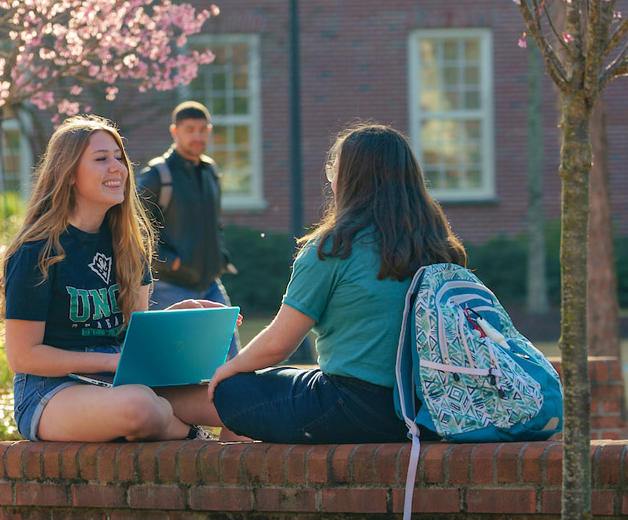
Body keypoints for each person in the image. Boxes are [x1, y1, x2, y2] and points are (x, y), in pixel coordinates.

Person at [185, 123, 466, 445]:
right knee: (285, 380)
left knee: (232, 388)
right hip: (428, 410)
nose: (330, 178)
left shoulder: (334, 246)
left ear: (349, 179)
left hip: (355, 408)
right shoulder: (439, 246)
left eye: (334, 168)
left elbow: (279, 343)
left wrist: (230, 368)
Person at [0, 115, 228, 442]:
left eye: (119, 158)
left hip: (122, 380)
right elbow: (22, 355)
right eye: (101, 159)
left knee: (237, 401)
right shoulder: (37, 252)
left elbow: (131, 333)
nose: (118, 167)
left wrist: (175, 318)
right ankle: (194, 439)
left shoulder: (129, 245)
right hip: (51, 391)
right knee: (142, 407)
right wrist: (108, 359)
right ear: (68, 175)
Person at [137, 101, 234, 311]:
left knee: (228, 345)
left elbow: (215, 223)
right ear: (174, 131)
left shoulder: (211, 171)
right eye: (189, 130)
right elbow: (133, 229)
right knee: (178, 346)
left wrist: (220, 258)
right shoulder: (157, 175)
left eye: (202, 130)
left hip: (211, 284)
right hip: (168, 287)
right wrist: (171, 262)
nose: (197, 137)